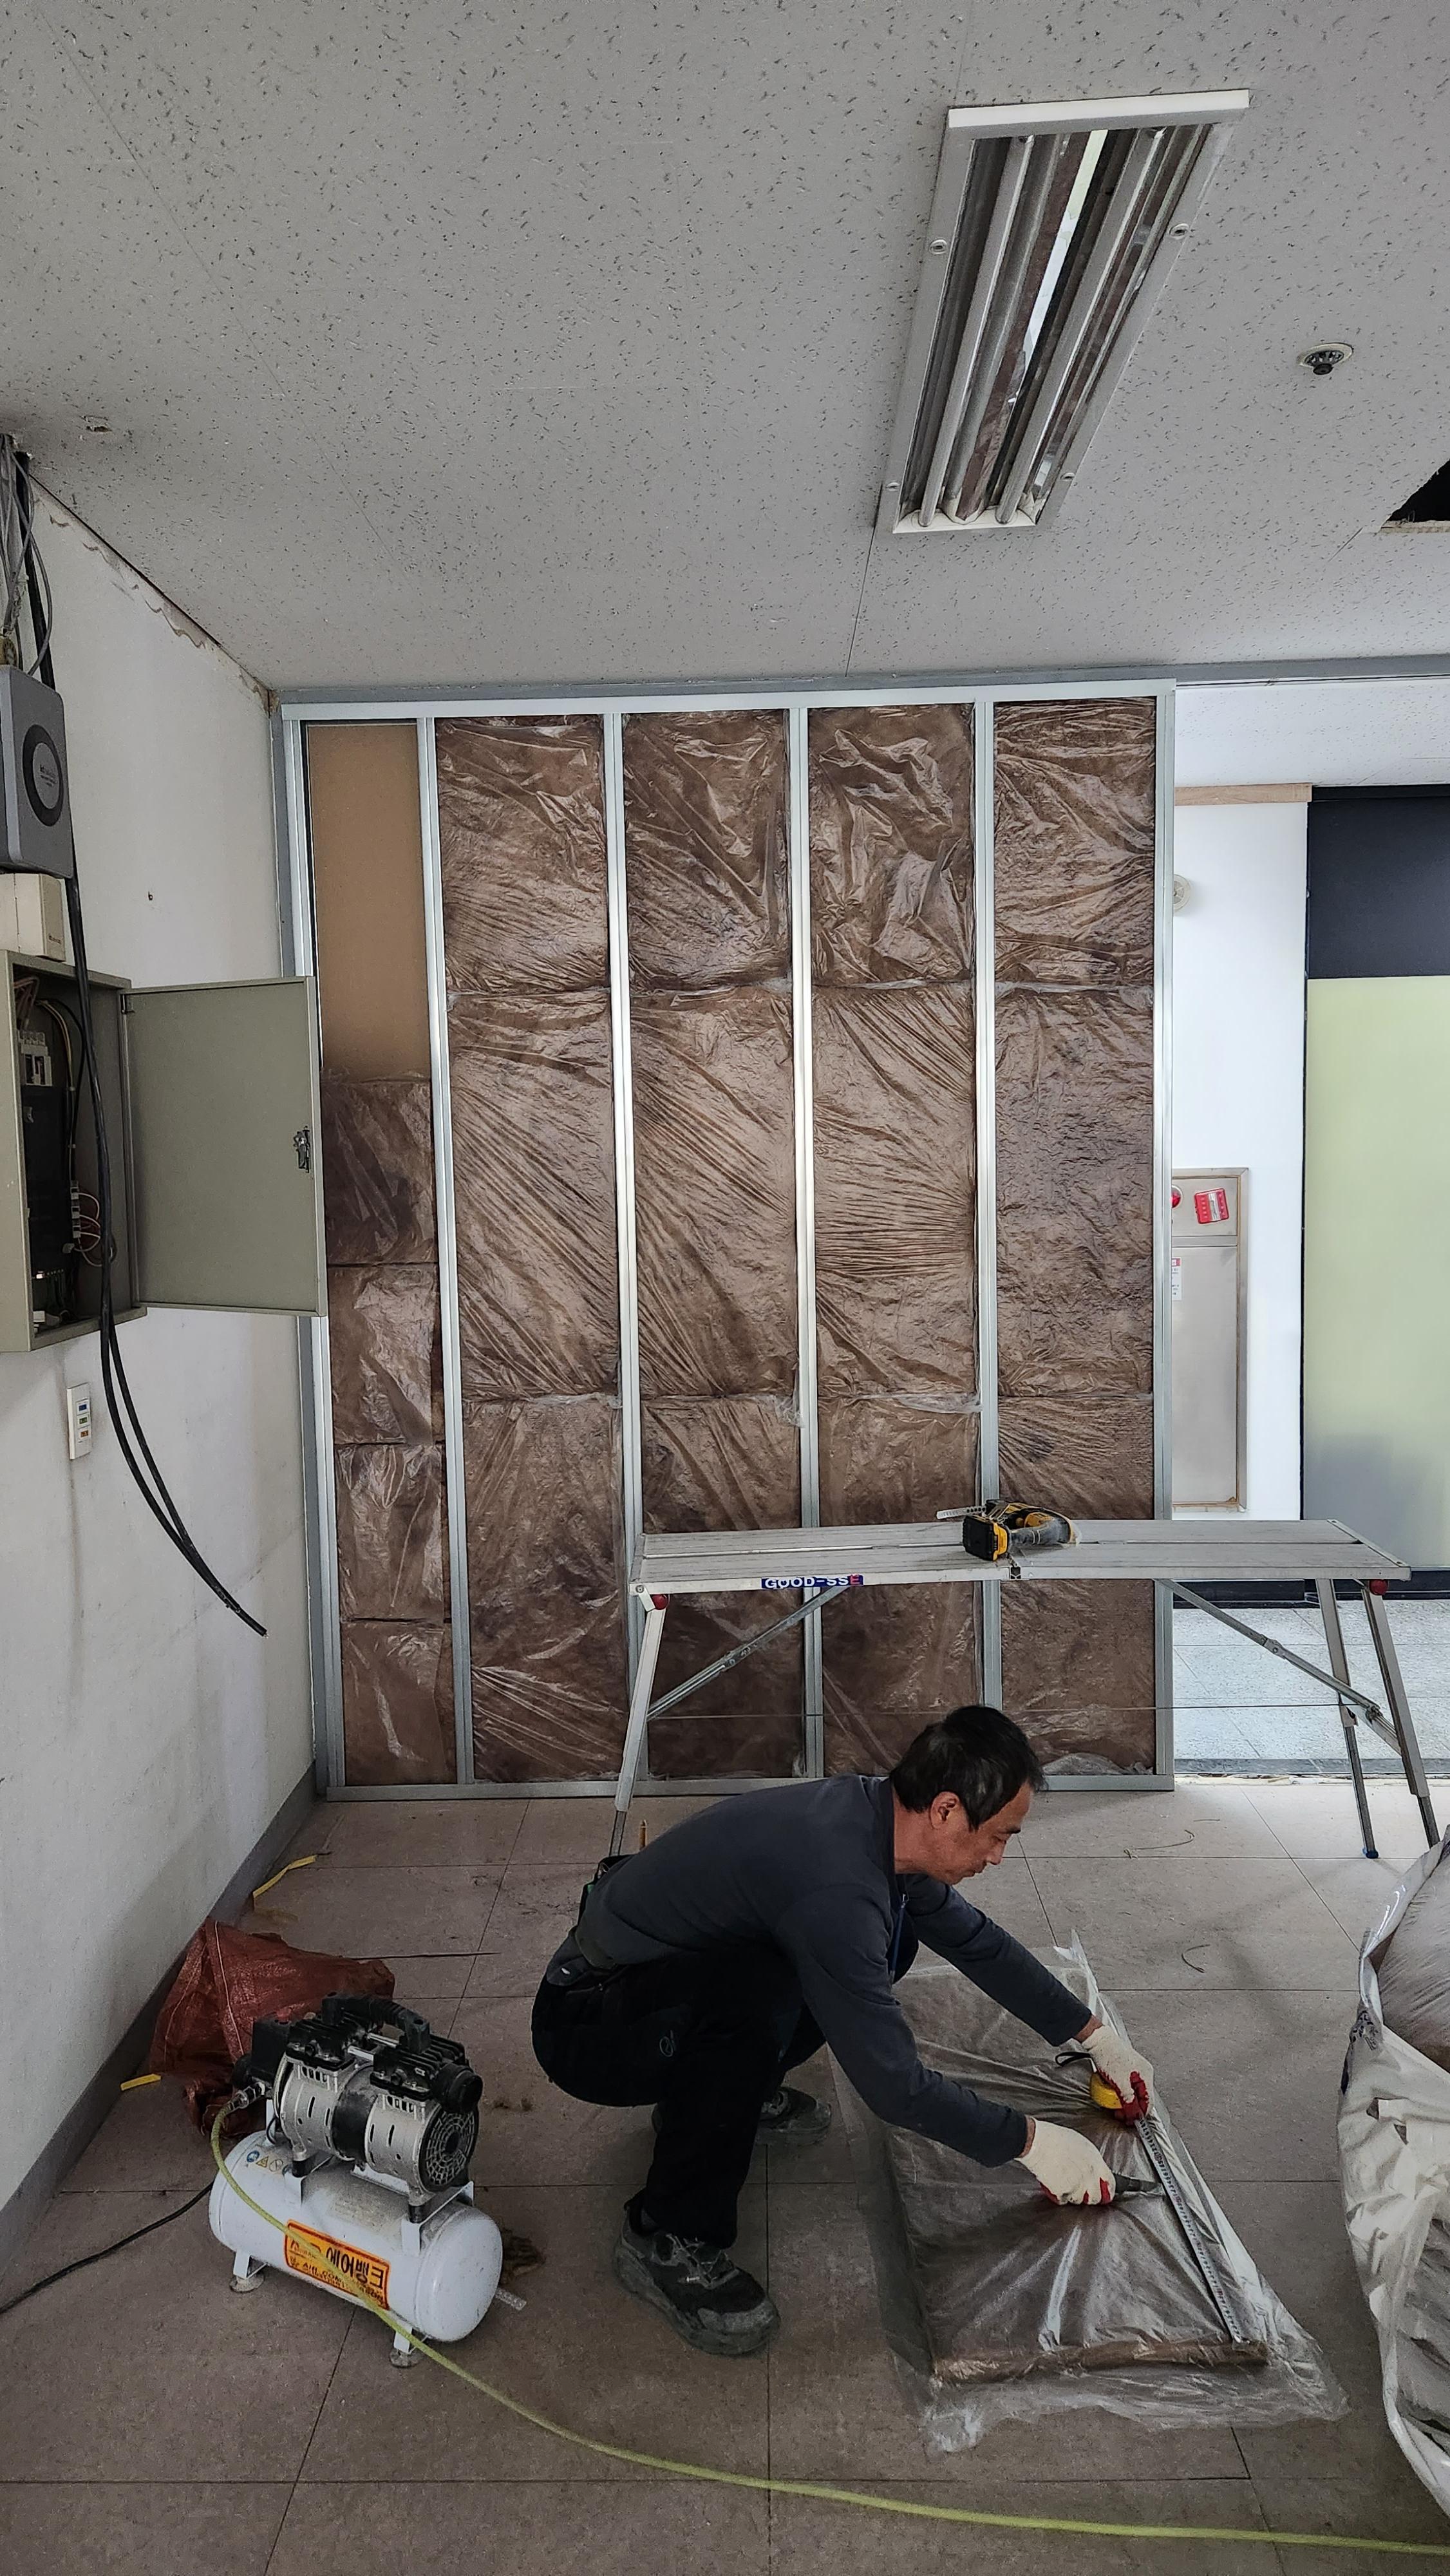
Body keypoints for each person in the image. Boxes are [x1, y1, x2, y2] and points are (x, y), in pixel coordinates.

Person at [530, 1705, 1154, 2358]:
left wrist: (1094, 2037)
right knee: (760, 1994)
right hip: (589, 2022)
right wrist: (1031, 2143)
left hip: (658, 1989)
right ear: (945, 1809)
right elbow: (894, 2087)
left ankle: (720, 2095)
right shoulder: (837, 1887)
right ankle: (665, 2233)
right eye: (996, 1836)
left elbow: (977, 1942)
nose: (997, 1857)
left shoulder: (879, 1823)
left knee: (888, 1942)